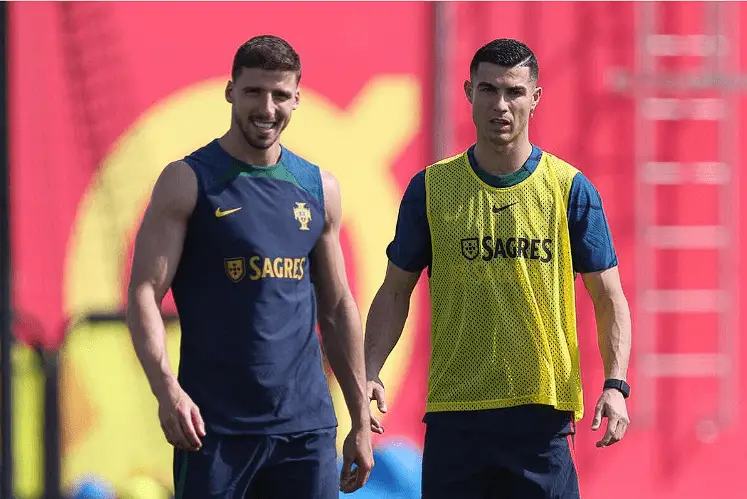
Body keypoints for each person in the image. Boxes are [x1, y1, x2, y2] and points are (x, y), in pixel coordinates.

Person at [364, 38, 632, 498]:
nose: (501, 105)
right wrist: (369, 369)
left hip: (541, 417)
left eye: (513, 92)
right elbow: (393, 291)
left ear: (536, 97)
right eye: (488, 90)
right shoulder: (430, 189)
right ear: (468, 92)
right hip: (456, 415)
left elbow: (609, 297)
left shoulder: (570, 189)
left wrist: (616, 384)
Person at [126, 35, 373, 498]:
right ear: (230, 91)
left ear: (296, 98)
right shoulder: (187, 181)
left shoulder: (318, 187)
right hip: (213, 430)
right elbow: (144, 291)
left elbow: (338, 307)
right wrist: (166, 389)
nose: (267, 107)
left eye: (280, 95)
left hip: (305, 431)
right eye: (254, 92)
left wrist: (360, 419)